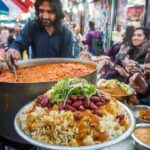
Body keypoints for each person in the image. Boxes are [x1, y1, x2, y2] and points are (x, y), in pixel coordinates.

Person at [6, 0, 73, 70]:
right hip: (35, 75)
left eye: (50, 12)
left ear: (57, 13)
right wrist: (13, 49)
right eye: (41, 11)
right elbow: (19, 43)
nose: (45, 16)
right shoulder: (32, 27)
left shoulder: (66, 34)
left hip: (58, 77)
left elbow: (66, 64)